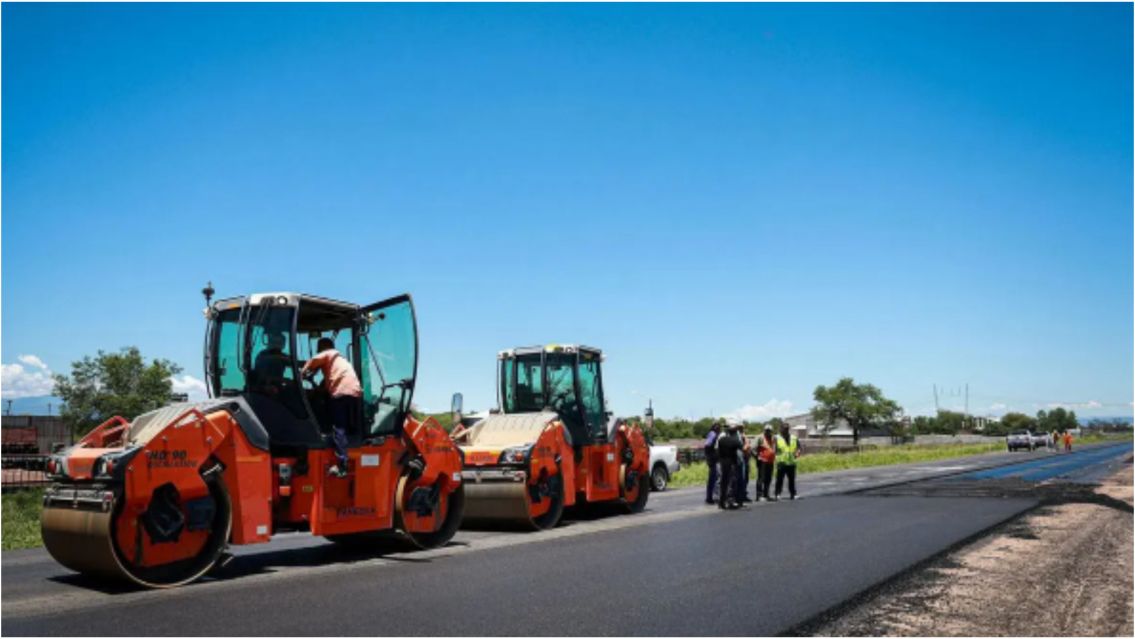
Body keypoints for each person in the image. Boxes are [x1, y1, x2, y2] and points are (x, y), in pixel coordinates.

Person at [301, 337, 362, 477]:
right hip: (354, 393)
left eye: (319, 349)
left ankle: (342, 464)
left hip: (340, 393)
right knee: (348, 426)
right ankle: (347, 445)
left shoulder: (329, 353)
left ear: (323, 348)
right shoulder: (340, 363)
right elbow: (323, 388)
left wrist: (302, 373)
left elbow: (314, 360)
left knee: (338, 428)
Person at [716, 423, 743, 509]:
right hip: (731, 463)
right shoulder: (734, 441)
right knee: (731, 482)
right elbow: (742, 447)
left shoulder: (721, 440)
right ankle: (730, 501)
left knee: (723, 483)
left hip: (722, 463)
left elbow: (718, 450)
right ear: (734, 433)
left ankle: (721, 502)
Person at [774, 424, 802, 500]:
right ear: (780, 429)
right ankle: (777, 494)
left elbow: (799, 447)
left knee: (792, 480)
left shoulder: (794, 438)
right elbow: (774, 449)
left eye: (786, 429)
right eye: (783, 429)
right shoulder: (777, 438)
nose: (785, 430)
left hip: (791, 461)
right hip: (781, 462)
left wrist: (798, 452)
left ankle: (793, 494)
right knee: (779, 479)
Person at [755, 424, 776, 500]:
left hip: (770, 461)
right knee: (761, 478)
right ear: (764, 430)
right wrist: (757, 457)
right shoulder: (760, 437)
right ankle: (759, 495)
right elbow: (753, 448)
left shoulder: (773, 438)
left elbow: (773, 448)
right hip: (762, 461)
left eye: (769, 431)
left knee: (768, 478)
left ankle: (766, 494)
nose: (768, 432)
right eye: (767, 430)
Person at [703, 422, 722, 504]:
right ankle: (713, 497)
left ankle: (710, 497)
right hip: (713, 460)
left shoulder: (713, 434)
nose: (718, 428)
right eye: (717, 427)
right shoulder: (713, 434)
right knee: (715, 478)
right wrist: (711, 456)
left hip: (712, 459)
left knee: (713, 478)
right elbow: (707, 445)